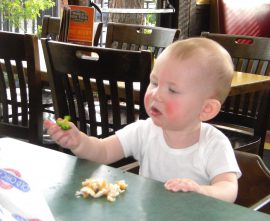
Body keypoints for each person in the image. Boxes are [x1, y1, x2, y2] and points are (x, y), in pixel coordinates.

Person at [44, 37, 241, 203]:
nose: (156, 94)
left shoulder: (214, 143)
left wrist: (201, 190)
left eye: (172, 90)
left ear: (206, 109)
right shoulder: (144, 131)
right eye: (154, 82)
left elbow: (228, 188)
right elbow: (103, 151)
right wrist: (79, 142)